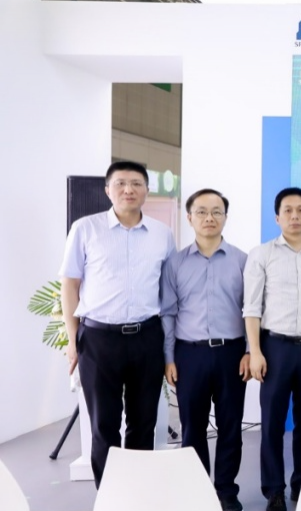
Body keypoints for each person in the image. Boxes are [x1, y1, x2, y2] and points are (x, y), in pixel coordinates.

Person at [59, 161, 176, 487]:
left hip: (146, 337)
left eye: (136, 183)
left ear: (147, 190)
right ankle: (110, 494)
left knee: (143, 423)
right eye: (121, 183)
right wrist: (72, 339)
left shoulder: (162, 234)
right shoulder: (85, 228)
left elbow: (168, 291)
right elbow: (70, 284)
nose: (128, 190)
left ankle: (137, 493)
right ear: (107, 190)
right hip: (99, 339)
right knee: (103, 425)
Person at [161, 189, 249, 511]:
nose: (209, 218)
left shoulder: (242, 260)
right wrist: (169, 357)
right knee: (192, 427)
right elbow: (168, 312)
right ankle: (198, 490)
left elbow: (252, 310)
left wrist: (250, 350)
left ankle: (226, 490)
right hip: (190, 354)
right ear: (189, 217)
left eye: (216, 212)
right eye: (201, 212)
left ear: (225, 217)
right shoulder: (175, 263)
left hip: (231, 353)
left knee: (231, 426)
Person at [243, 187, 301, 511]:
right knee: (272, 424)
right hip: (274, 348)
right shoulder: (261, 254)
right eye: (288, 210)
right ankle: (274, 491)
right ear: (277, 217)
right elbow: (251, 307)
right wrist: (255, 351)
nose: (295, 216)